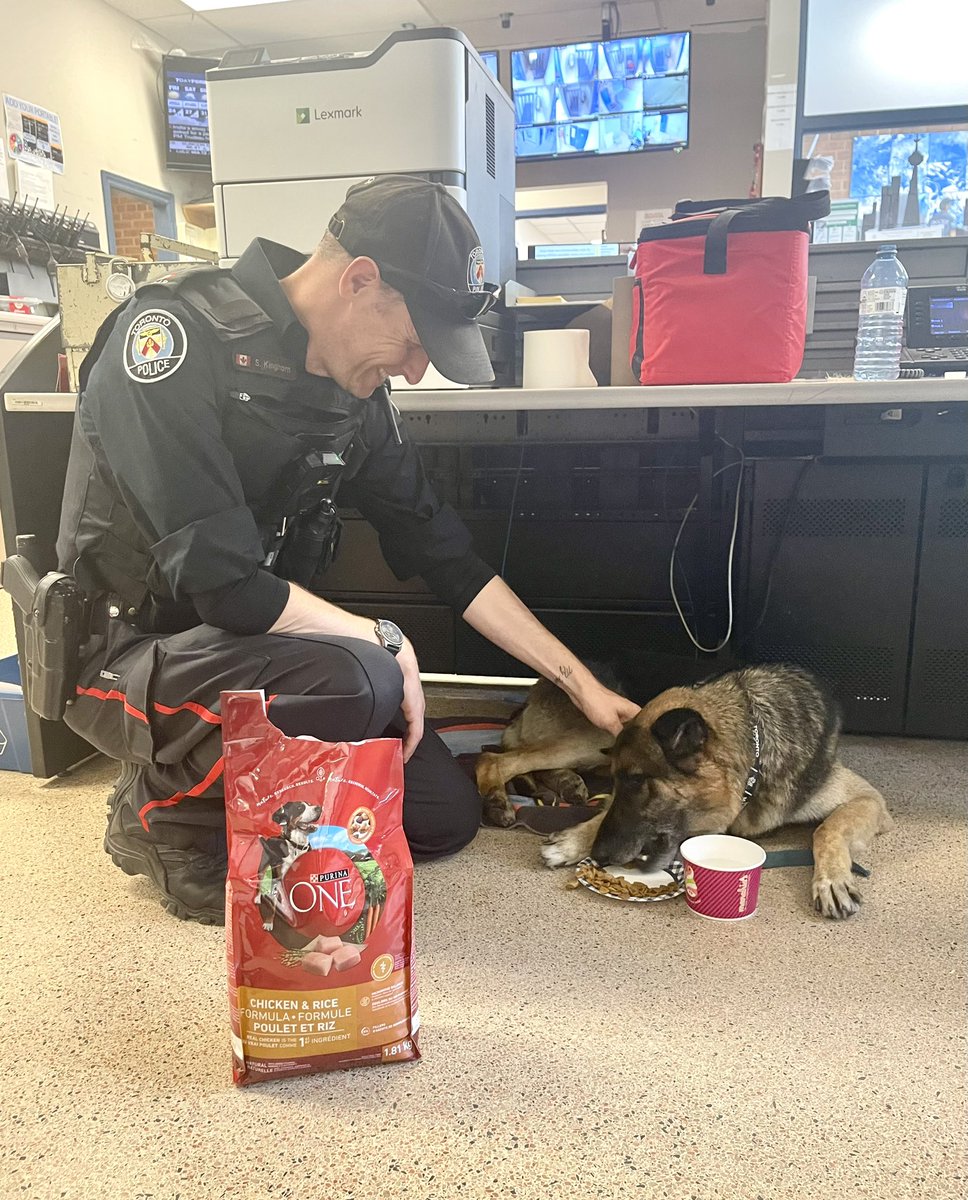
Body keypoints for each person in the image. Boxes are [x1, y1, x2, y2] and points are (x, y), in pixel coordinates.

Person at [56, 175, 638, 925]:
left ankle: (248, 793)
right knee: (363, 674)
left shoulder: (351, 393)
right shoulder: (171, 341)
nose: (415, 368)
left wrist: (580, 683)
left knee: (438, 819)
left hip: (246, 650)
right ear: (360, 281)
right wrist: (383, 639)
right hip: (124, 656)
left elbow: (446, 553)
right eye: (414, 340)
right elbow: (228, 586)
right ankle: (160, 815)